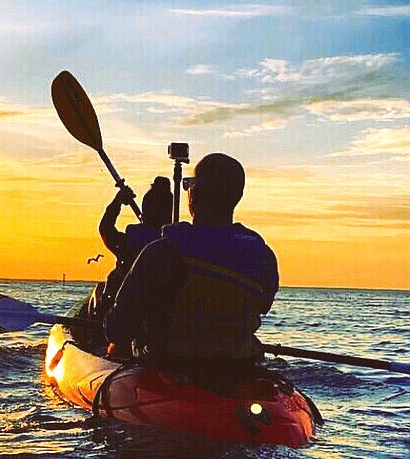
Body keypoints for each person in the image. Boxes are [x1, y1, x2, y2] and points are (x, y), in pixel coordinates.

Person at [103, 153, 278, 372]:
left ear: (194, 194)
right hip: (239, 368)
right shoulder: (263, 257)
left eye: (189, 184)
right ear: (238, 195)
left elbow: (118, 330)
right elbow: (264, 306)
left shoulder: (162, 252)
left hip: (171, 369)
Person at [86, 177, 173, 322]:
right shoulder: (177, 245)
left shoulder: (127, 244)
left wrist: (117, 202)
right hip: (156, 318)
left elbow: (105, 228)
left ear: (144, 214)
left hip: (119, 317)